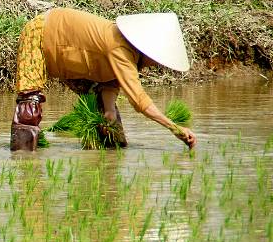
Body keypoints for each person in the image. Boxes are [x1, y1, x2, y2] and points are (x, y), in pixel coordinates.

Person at [10, 8, 198, 151]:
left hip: (73, 57)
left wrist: (108, 109)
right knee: (29, 105)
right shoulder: (120, 49)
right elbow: (140, 101)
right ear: (148, 50)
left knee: (107, 119)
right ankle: (24, 161)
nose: (156, 65)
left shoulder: (128, 53)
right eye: (157, 60)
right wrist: (175, 128)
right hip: (41, 34)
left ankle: (108, 165)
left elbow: (110, 82)